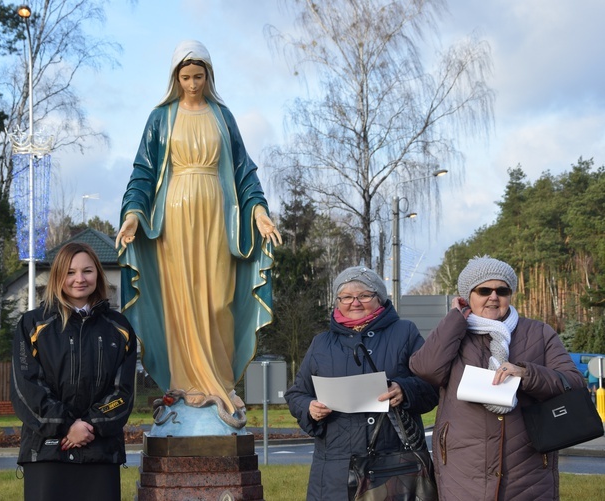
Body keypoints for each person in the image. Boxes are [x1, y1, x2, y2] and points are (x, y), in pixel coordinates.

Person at [115, 40, 281, 427]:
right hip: (174, 217)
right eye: (185, 77)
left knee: (218, 299)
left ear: (209, 76)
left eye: (199, 76)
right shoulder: (162, 118)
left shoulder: (222, 116)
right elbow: (143, 171)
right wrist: (134, 214)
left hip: (218, 214)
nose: (192, 84)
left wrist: (258, 212)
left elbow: (243, 170)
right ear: (176, 78)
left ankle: (221, 380)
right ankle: (186, 382)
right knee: (182, 300)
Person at [409, 255, 584, 500]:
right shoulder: (455, 334)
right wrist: (455, 319)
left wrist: (526, 373)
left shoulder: (538, 333)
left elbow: (573, 383)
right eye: (483, 290)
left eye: (502, 290)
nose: (493, 297)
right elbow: (425, 368)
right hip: (463, 465)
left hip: (527, 465)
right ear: (467, 295)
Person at [285, 266, 438, 501]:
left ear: (380, 298)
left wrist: (404, 390)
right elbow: (297, 393)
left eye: (364, 295)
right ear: (337, 301)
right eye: (346, 297)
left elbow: (431, 385)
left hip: (394, 466)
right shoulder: (321, 343)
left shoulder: (405, 332)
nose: (354, 302)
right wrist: (309, 408)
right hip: (334, 472)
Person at [11, 242, 137, 501]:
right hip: (47, 451)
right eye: (70, 272)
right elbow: (27, 388)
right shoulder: (32, 324)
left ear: (98, 275)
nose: (79, 279)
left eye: (87, 271)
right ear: (58, 276)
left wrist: (88, 426)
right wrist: (67, 426)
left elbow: (122, 393)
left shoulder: (120, 327)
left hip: (100, 453)